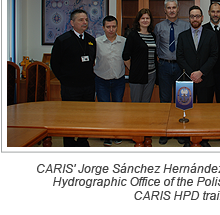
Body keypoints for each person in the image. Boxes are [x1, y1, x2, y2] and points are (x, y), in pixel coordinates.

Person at [50, 9, 96, 147]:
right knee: (68, 117)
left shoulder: (91, 40)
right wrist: (64, 79)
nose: (85, 22)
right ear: (72, 22)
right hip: (70, 87)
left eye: (86, 20)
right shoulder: (63, 40)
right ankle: (69, 143)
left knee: (86, 116)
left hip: (88, 86)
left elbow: (92, 60)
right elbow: (55, 64)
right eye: (81, 20)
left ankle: (83, 141)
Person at [177, 5, 218, 147]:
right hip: (187, 81)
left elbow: (214, 56)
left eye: (197, 16)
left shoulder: (211, 35)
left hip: (206, 79)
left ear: (202, 18)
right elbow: (180, 57)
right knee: (187, 111)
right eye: (192, 16)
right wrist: (192, 74)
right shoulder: (182, 36)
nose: (195, 19)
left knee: (204, 111)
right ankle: (188, 138)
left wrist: (201, 72)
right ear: (189, 18)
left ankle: (203, 138)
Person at [153, 0, 190, 145]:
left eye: (174, 7)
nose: (172, 10)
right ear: (165, 10)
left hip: (182, 67)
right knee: (165, 100)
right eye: (169, 8)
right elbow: (156, 47)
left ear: (178, 8)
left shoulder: (186, 26)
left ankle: (181, 131)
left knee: (182, 100)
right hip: (164, 66)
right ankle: (165, 131)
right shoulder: (159, 26)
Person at [94, 15, 126, 147]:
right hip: (102, 80)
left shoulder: (124, 41)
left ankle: (116, 133)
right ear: (103, 28)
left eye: (113, 26)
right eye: (108, 27)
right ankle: (107, 135)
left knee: (117, 107)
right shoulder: (97, 42)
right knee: (105, 109)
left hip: (119, 80)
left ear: (117, 27)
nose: (111, 29)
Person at [122, 8, 157, 103]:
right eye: (142, 18)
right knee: (136, 104)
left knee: (146, 103)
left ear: (150, 20)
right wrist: (133, 69)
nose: (145, 20)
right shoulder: (132, 35)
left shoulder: (153, 36)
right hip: (137, 75)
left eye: (147, 18)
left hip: (151, 75)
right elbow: (125, 56)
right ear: (138, 20)